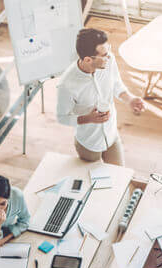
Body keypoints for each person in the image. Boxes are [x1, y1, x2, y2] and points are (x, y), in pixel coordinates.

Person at [56, 28, 145, 166]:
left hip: (111, 135)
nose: (108, 57)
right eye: (103, 55)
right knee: (95, 183)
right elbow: (62, 117)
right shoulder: (66, 85)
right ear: (87, 59)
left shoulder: (109, 61)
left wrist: (130, 100)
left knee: (118, 176)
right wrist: (88, 119)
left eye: (108, 50)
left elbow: (116, 85)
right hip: (88, 144)